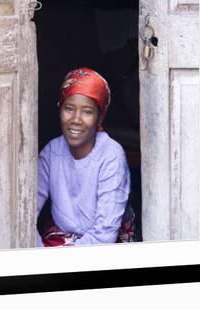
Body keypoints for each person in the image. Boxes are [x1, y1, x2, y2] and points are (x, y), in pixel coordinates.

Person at [37, 67, 133, 247]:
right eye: (69, 108)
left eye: (87, 112)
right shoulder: (51, 152)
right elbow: (24, 213)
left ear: (100, 118)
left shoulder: (111, 155)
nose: (76, 119)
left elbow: (105, 235)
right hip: (60, 237)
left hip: (105, 243)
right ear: (59, 110)